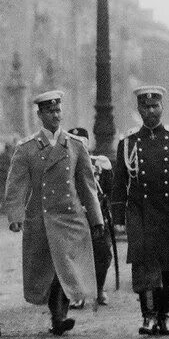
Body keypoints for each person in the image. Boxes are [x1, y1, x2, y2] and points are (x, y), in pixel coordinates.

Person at [4, 93, 105, 335]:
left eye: (58, 111)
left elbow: (87, 186)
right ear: (40, 115)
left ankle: (60, 316)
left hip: (70, 217)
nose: (55, 115)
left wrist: (96, 218)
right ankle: (56, 315)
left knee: (67, 267)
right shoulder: (27, 149)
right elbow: (16, 184)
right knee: (49, 270)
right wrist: (15, 215)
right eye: (50, 112)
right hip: (42, 217)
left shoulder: (75, 145)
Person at [112, 86, 169, 337]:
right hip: (140, 212)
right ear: (139, 109)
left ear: (162, 107)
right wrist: (118, 218)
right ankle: (148, 317)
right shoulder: (128, 141)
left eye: (155, 106)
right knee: (145, 266)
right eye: (145, 107)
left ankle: (164, 316)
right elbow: (119, 183)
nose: (150, 111)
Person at [68, 126, 115, 306]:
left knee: (103, 255)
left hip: (96, 217)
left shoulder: (99, 163)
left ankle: (99, 289)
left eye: (82, 142)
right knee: (75, 256)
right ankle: (77, 294)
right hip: (73, 216)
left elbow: (110, 190)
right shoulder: (63, 165)